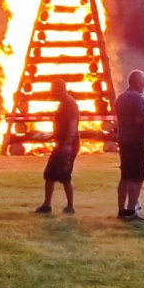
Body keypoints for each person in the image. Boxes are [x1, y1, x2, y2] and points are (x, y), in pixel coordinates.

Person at [37, 78, 81, 215]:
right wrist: (50, 136)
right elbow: (61, 126)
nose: (51, 93)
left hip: (68, 146)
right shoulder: (62, 104)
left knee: (65, 175)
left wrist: (67, 145)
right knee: (49, 174)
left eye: (53, 90)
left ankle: (70, 206)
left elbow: (72, 125)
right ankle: (47, 205)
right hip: (60, 144)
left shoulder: (70, 104)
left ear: (60, 89)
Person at [114, 70, 144, 221]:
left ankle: (121, 209)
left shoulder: (120, 98)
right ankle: (131, 210)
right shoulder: (137, 98)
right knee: (137, 176)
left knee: (125, 176)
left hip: (123, 139)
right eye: (143, 80)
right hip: (135, 141)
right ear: (137, 82)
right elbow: (138, 120)